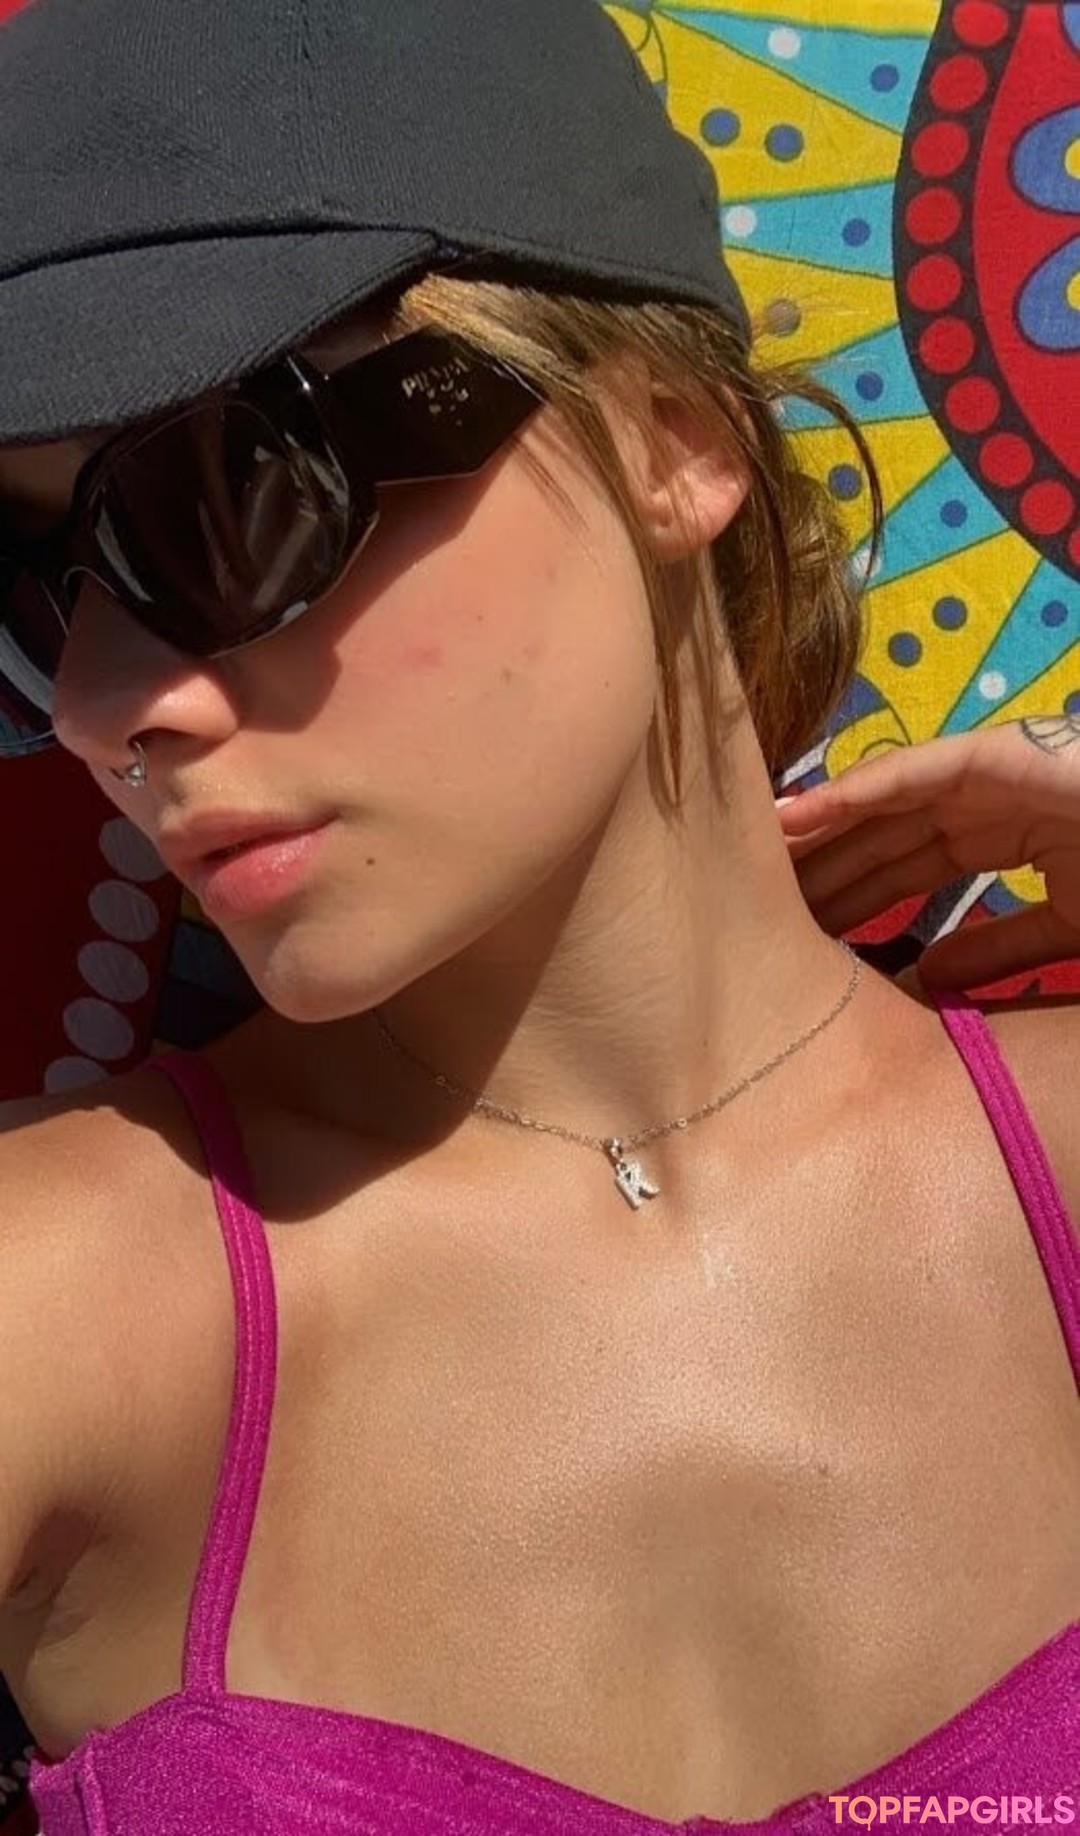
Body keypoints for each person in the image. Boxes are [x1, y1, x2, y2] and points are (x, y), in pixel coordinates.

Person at [0, 0, 1076, 1831]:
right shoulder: (72, 1301)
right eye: (30, 591)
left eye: (226, 496)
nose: (106, 705)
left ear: (668, 441)